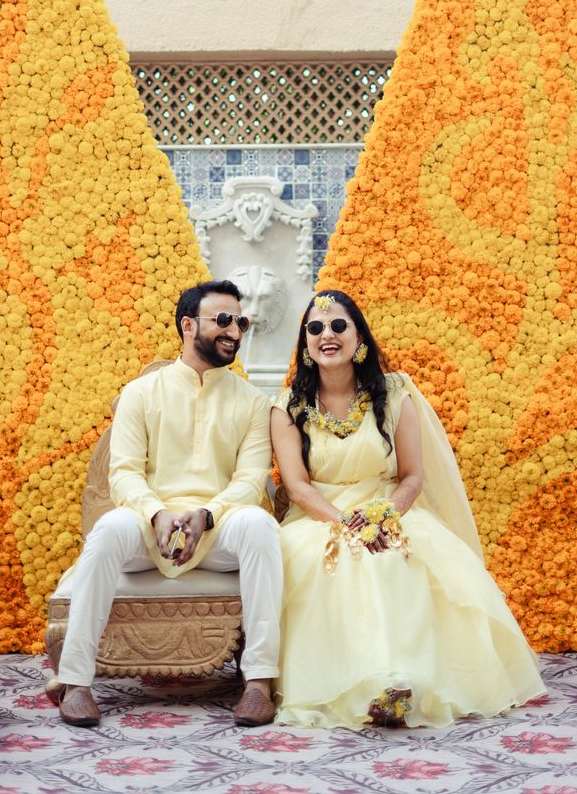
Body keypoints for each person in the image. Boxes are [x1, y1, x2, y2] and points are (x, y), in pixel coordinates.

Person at [270, 290, 547, 730]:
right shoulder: (288, 406)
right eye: (315, 328)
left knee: (397, 559)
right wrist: (346, 524)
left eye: (338, 325)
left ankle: (404, 683)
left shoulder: (396, 394)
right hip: (321, 516)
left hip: (388, 509)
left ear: (359, 336)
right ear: (305, 343)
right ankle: (365, 687)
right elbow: (298, 486)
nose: (327, 334)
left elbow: (413, 476)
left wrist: (384, 516)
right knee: (331, 564)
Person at [55, 279, 283, 728]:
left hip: (219, 526)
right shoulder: (141, 393)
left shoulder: (254, 402)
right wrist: (156, 514)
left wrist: (206, 515)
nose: (234, 331)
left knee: (260, 527)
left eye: (240, 322)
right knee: (107, 533)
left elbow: (251, 478)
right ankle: (76, 682)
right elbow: (123, 472)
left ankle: (258, 682)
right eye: (222, 320)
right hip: (149, 524)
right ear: (186, 325)